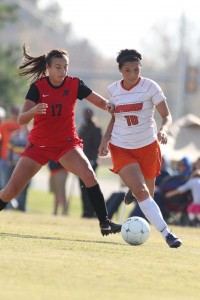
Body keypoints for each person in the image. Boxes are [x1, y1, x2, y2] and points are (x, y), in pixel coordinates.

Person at [0, 44, 121, 236]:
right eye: (58, 67)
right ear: (48, 67)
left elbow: (99, 102)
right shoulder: (37, 88)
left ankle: (105, 223)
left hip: (66, 144)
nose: (63, 71)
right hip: (38, 145)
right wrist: (33, 110)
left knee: (89, 174)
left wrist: (108, 105)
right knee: (10, 191)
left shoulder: (74, 84)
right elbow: (21, 119)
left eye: (65, 67)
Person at [98, 48, 182, 248]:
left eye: (136, 69)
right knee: (142, 191)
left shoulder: (150, 87)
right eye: (128, 70)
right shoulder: (113, 90)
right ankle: (167, 234)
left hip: (148, 146)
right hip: (121, 146)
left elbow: (166, 116)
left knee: (148, 199)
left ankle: (133, 189)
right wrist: (105, 140)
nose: (133, 74)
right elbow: (114, 119)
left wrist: (163, 130)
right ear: (120, 70)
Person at [78, 108, 102, 218]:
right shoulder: (82, 128)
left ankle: (91, 211)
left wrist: (92, 160)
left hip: (91, 162)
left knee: (90, 187)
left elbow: (97, 146)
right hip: (81, 161)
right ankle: (85, 211)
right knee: (82, 188)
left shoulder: (96, 129)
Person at [6, 124, 30, 211]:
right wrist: (9, 160)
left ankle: (21, 207)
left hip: (26, 165)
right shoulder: (14, 135)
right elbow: (9, 149)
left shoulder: (32, 135)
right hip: (14, 163)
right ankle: (9, 206)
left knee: (25, 187)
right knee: (12, 186)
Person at [0, 105, 20, 189]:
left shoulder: (21, 125)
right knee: (4, 184)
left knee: (15, 185)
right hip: (4, 158)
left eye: (16, 112)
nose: (14, 114)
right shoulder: (5, 125)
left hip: (17, 159)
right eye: (13, 112)